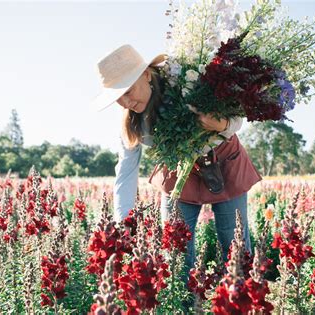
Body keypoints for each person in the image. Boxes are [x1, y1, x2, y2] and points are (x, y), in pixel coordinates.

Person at [91, 44, 262, 274]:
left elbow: (236, 119)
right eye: (118, 99)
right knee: (175, 253)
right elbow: (126, 172)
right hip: (178, 174)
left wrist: (219, 124)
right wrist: (122, 221)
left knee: (235, 246)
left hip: (224, 163)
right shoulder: (132, 125)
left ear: (146, 75)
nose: (126, 103)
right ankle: (185, 306)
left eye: (128, 92)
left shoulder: (184, 83)